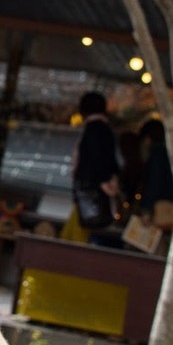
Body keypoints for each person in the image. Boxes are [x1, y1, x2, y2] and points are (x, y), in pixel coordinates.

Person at [71, 91, 121, 236]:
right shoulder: (104, 128)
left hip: (92, 188)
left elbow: (96, 157)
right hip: (97, 187)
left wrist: (102, 180)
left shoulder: (94, 128)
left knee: (86, 227)